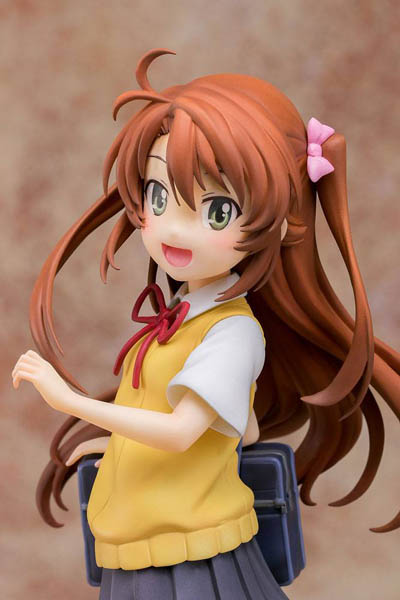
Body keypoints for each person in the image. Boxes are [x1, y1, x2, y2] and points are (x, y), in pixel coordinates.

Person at [12, 48, 400, 599]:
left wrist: (70, 402)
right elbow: (242, 429)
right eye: (158, 196)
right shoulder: (180, 317)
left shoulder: (232, 331)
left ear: (280, 223)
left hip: (190, 559)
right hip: (140, 545)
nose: (174, 229)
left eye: (217, 211)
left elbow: (180, 432)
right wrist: (115, 446)